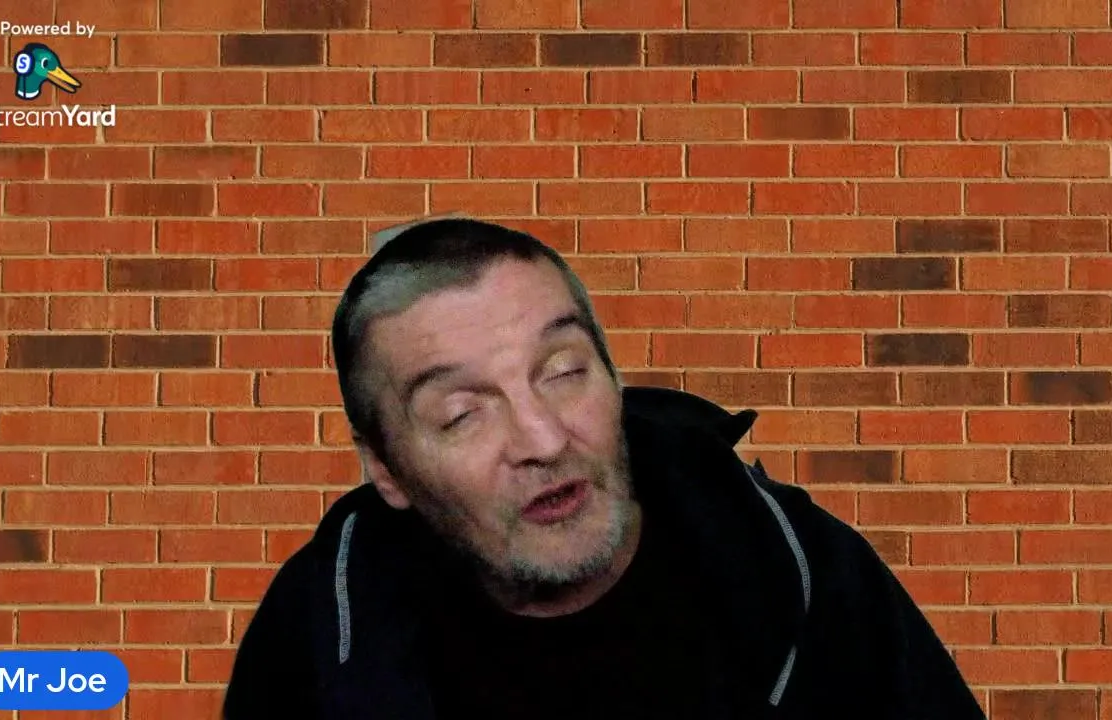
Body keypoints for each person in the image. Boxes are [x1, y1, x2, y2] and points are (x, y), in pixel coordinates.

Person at [222, 216, 987, 719]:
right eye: (461, 414)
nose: (543, 439)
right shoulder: (319, 638)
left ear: (615, 377)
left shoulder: (800, 576)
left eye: (563, 372)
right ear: (386, 470)